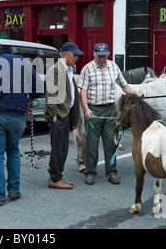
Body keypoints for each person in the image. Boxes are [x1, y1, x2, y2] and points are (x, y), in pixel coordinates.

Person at [0, 38, 43, 207]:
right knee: (13, 151)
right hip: (18, 116)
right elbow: (39, 87)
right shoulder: (22, 62)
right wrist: (30, 98)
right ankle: (14, 189)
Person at [77, 43, 132, 185]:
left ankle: (111, 173)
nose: (102, 58)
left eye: (104, 55)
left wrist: (135, 97)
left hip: (110, 109)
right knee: (92, 144)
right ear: (93, 54)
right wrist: (86, 109)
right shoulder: (87, 69)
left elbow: (124, 85)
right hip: (93, 110)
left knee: (110, 143)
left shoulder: (114, 67)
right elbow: (82, 90)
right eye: (99, 56)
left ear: (108, 54)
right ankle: (90, 173)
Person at [44, 42, 83, 189]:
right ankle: (54, 179)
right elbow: (51, 94)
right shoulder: (55, 70)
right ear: (65, 54)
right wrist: (54, 115)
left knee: (63, 149)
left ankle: (58, 176)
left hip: (65, 114)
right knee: (58, 148)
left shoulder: (68, 69)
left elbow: (72, 95)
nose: (77, 58)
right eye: (74, 55)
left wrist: (74, 119)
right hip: (58, 115)